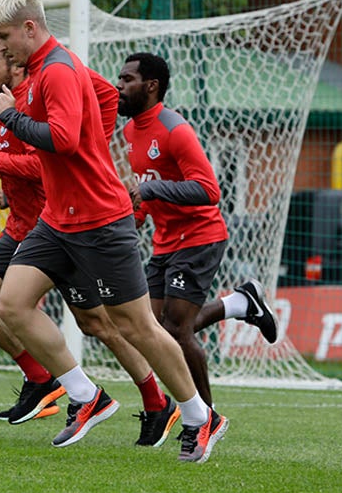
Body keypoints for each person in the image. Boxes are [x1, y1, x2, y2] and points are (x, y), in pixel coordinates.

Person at [0, 0, 226, 462]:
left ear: (30, 27)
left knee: (137, 327)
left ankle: (200, 416)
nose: (2, 46)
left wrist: (9, 117)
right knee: (9, 304)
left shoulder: (55, 70)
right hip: (58, 218)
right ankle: (85, 394)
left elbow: (65, 141)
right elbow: (105, 96)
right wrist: (99, 135)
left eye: (5, 35)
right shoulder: (47, 67)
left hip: (99, 218)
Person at [0, 39, 179, 447]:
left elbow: (44, 158)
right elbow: (24, 158)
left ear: (14, 64)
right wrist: (7, 182)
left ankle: (158, 401)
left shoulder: (36, 96)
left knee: (101, 324)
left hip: (61, 223)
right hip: (24, 226)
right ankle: (42, 379)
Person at [116, 52, 278, 407]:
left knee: (176, 330)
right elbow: (146, 187)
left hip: (200, 238)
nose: (119, 85)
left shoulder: (175, 130)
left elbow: (209, 192)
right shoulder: (129, 131)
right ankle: (238, 303)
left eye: (128, 79)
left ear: (152, 86)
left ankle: (206, 417)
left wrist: (150, 191)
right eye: (121, 78)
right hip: (165, 242)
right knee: (150, 328)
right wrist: (134, 220)